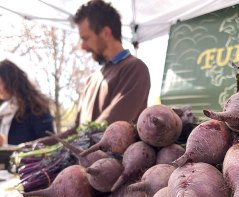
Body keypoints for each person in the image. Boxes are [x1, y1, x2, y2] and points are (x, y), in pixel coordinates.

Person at [40, 0, 151, 144]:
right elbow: (77, 129)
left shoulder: (135, 69)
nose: (83, 46)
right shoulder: (91, 79)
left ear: (106, 33)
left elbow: (108, 126)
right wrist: (38, 145)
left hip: (116, 165)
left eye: (86, 38)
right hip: (82, 164)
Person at [0, 59, 54, 146]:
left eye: (0, 82)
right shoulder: (3, 111)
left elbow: (49, 142)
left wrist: (26, 147)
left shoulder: (36, 107)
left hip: (31, 159)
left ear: (11, 81)